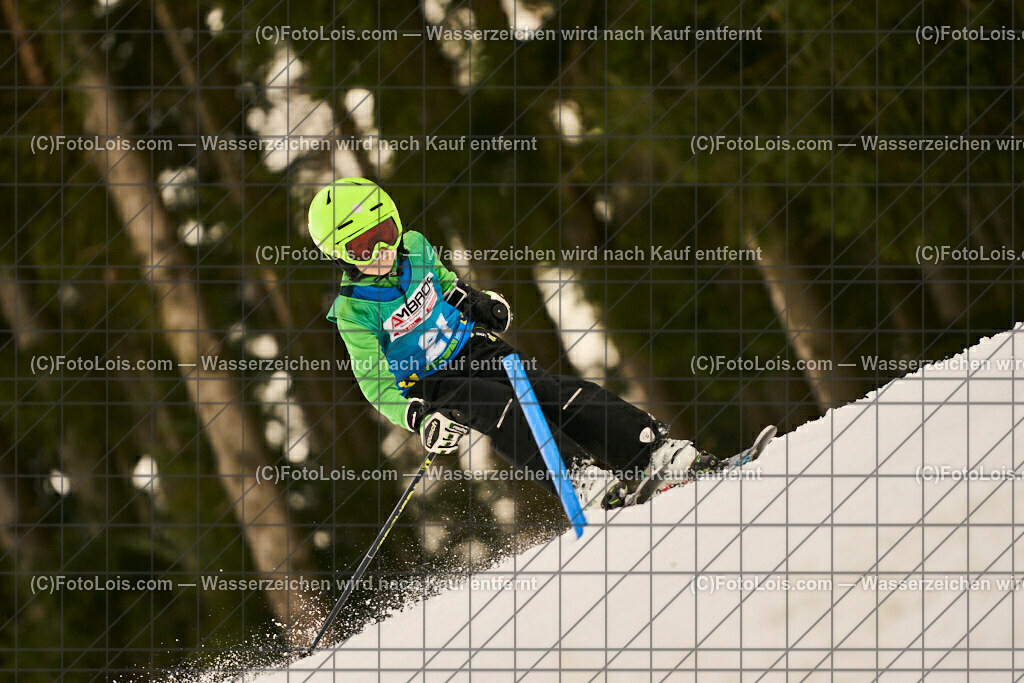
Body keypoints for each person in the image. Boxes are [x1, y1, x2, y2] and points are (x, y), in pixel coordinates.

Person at [308, 177, 763, 510]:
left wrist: (478, 305)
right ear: (339, 255)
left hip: (473, 349)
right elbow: (374, 384)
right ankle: (582, 481)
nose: (382, 252)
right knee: (501, 406)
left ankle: (654, 454)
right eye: (363, 248)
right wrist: (418, 417)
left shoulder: (417, 246)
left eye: (384, 233)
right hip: (434, 383)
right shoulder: (354, 311)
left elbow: (445, 284)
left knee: (549, 391)